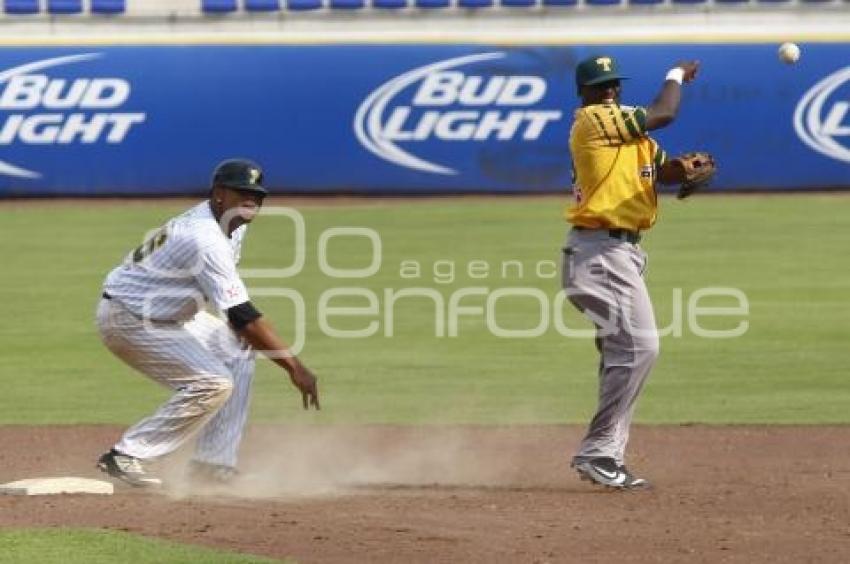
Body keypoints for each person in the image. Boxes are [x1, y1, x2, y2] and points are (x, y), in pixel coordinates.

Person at [95, 158, 319, 487]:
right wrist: (294, 367)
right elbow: (242, 314)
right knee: (213, 383)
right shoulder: (205, 237)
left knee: (239, 349)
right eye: (242, 192)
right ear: (218, 194)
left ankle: (211, 465)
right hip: (129, 318)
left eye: (257, 195)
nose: (251, 200)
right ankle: (127, 454)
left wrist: (238, 327)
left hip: (169, 314)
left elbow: (223, 298)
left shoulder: (229, 224)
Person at [563, 55, 700, 489]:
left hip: (621, 254)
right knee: (641, 348)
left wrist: (690, 173)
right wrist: (675, 74)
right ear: (584, 94)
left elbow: (663, 170)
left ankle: (607, 456)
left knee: (625, 355)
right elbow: (665, 112)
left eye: (613, 86)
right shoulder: (592, 121)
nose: (608, 92)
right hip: (599, 252)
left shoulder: (632, 137)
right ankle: (599, 453)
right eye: (599, 86)